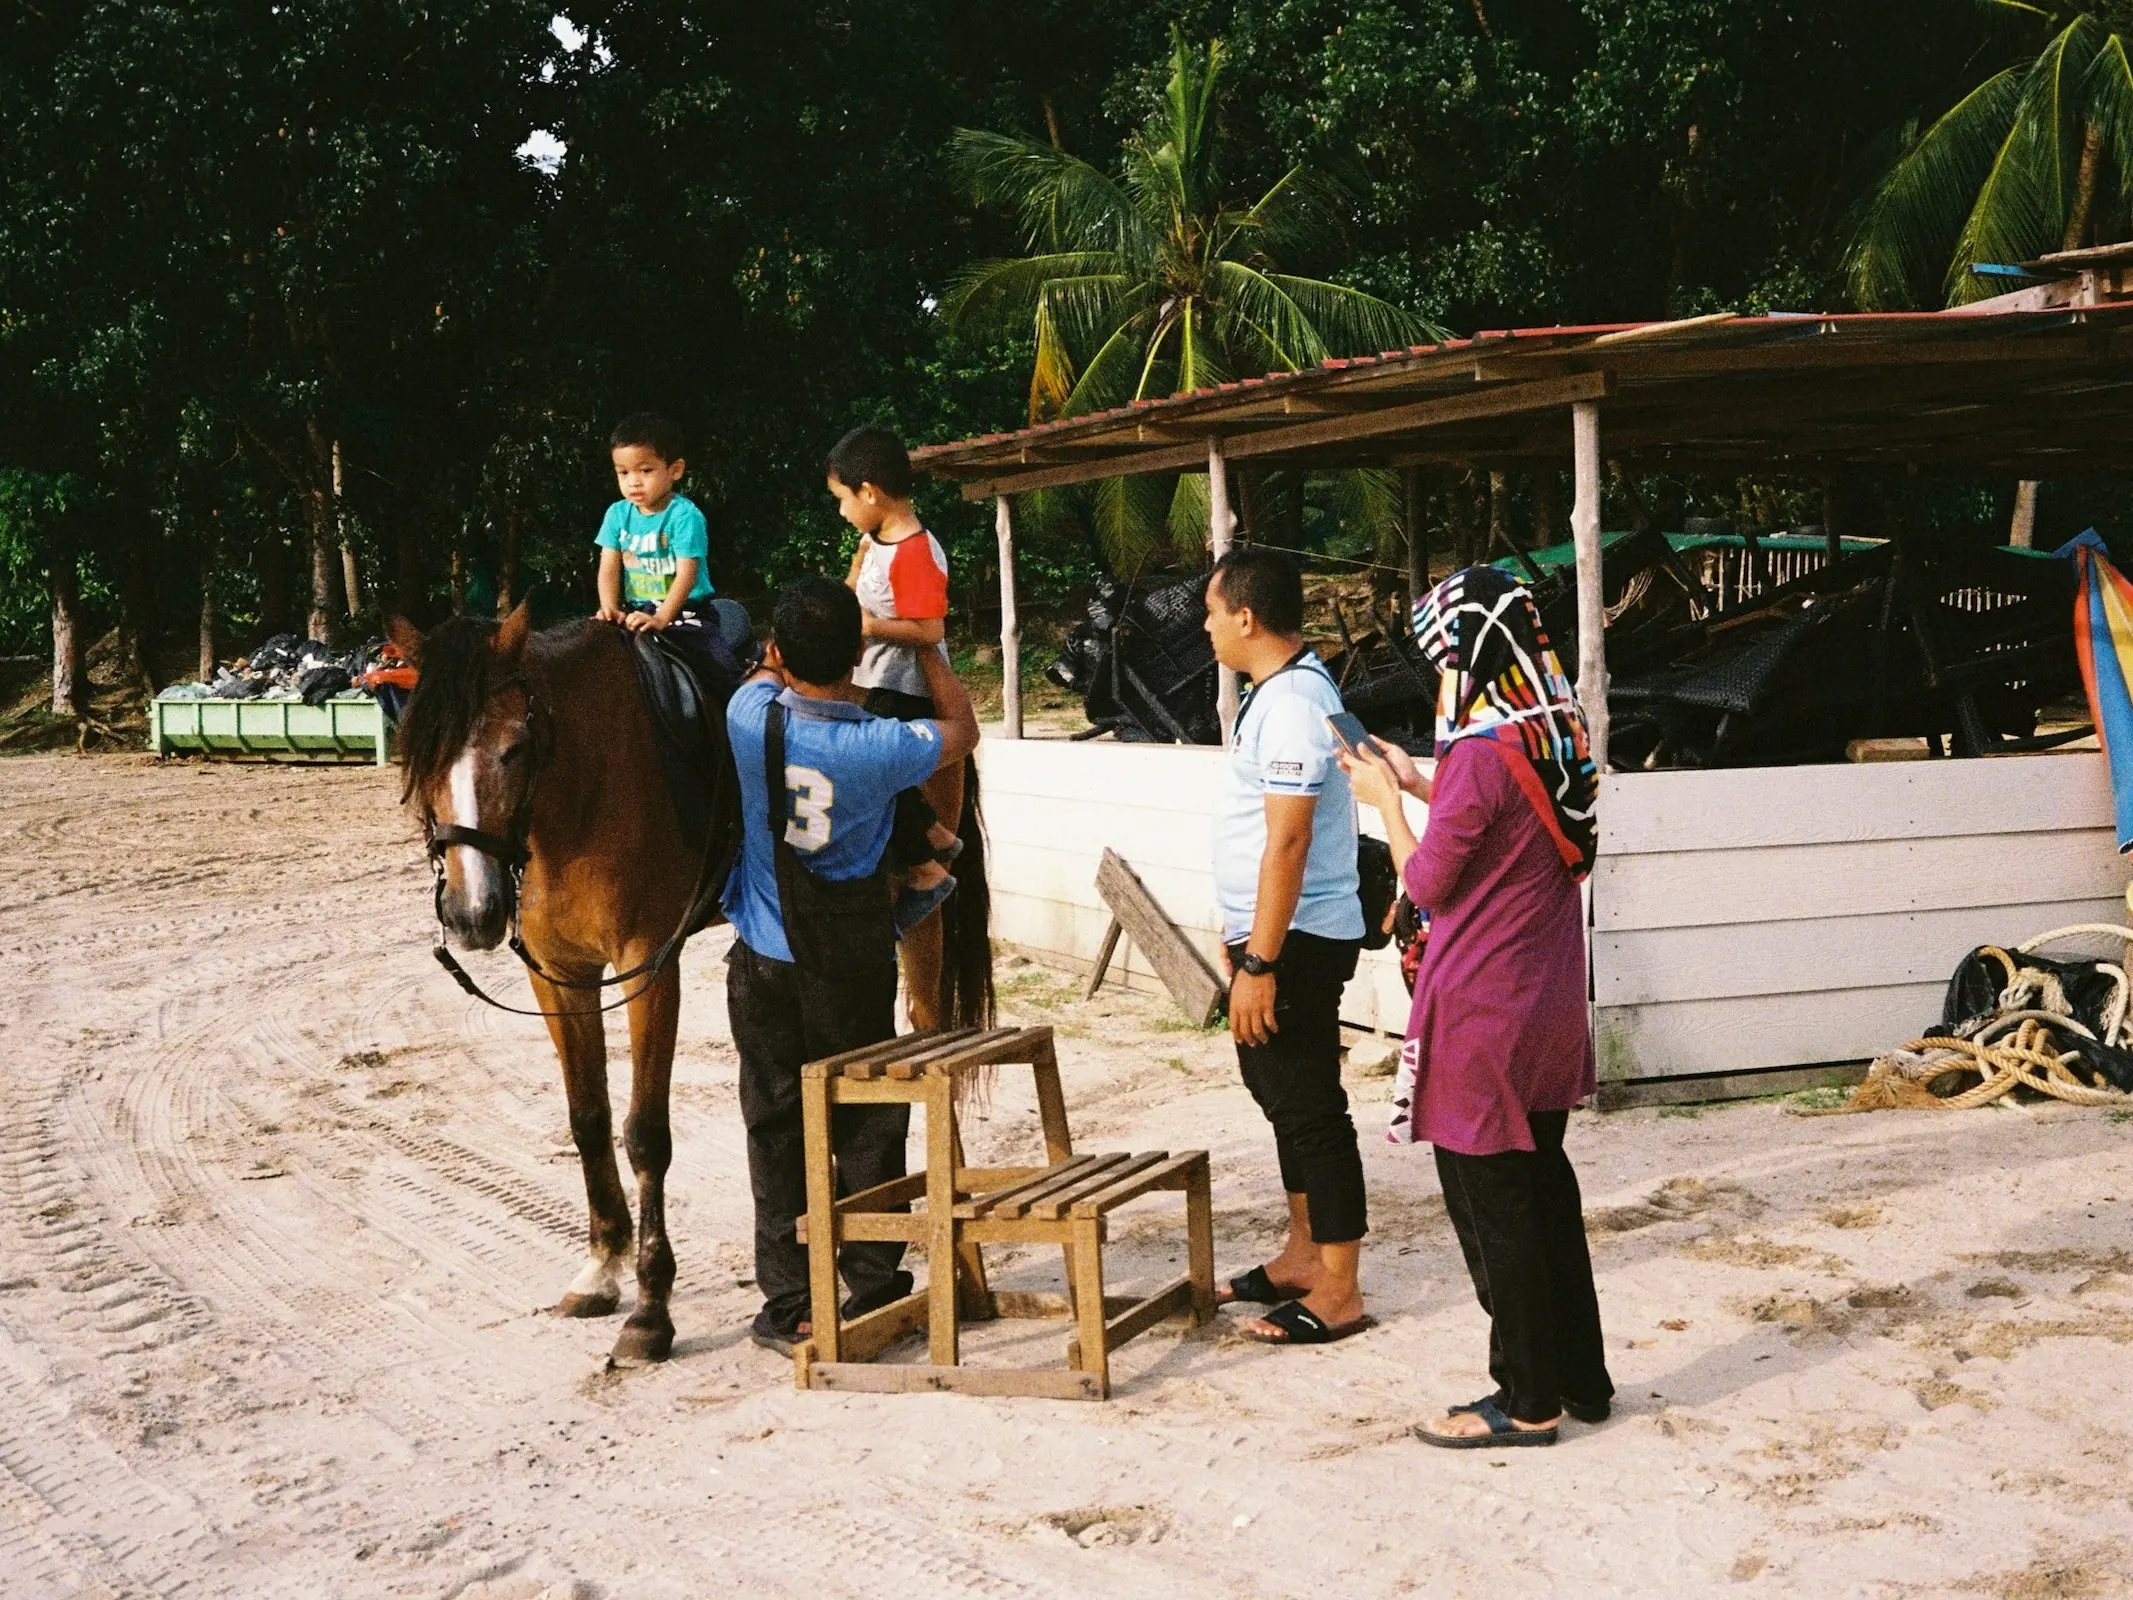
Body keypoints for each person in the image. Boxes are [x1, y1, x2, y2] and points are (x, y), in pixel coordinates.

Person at [1338, 564, 1611, 1449]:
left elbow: (1426, 881)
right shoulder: (1551, 734)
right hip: (1546, 1000)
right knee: (1543, 1192)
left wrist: (1385, 802)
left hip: (1482, 1006)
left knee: (1493, 1208)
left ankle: (1525, 1398)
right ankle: (1580, 1378)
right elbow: (1502, 827)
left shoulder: (1480, 756)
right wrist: (1420, 782)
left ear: (1465, 651)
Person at [722, 576, 982, 1354]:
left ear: (775, 653)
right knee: (866, 1119)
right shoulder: (879, 748)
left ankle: (793, 1300)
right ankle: (872, 1283)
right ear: (859, 654)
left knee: (773, 1124)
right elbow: (960, 730)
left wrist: (782, 653)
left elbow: (765, 678)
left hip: (767, 959)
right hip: (853, 962)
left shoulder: (747, 719)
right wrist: (923, 642)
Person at [1202, 545, 1371, 1347]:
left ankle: (1339, 1288)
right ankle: (1303, 1253)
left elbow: (1290, 840)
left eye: (1210, 612)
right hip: (1271, 932)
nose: (1205, 627)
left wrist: (1261, 962)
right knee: (1279, 1097)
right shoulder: (1283, 692)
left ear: (1244, 616)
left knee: (1309, 1108)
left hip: (1296, 938)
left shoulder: (1295, 702)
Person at [826, 423, 964, 935]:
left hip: (906, 688)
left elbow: (930, 628)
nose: (842, 511)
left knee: (873, 772)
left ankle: (926, 865)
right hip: (875, 680)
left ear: (870, 492)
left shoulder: (913, 551)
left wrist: (866, 625)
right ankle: (932, 837)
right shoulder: (875, 540)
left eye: (843, 499)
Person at [593, 412, 746, 677]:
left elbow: (687, 574)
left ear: (675, 470)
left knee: (717, 668)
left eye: (645, 470)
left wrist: (662, 618)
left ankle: (735, 709)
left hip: (688, 612)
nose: (633, 482)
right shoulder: (617, 514)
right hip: (639, 611)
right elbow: (608, 567)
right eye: (623, 472)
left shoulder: (684, 516)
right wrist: (609, 608)